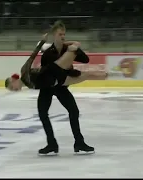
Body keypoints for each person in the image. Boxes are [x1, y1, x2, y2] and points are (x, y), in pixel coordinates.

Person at [37, 20, 98, 155]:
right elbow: (48, 72)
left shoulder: (66, 49)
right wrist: (71, 72)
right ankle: (52, 144)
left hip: (60, 86)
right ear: (54, 35)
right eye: (60, 34)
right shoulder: (48, 54)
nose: (63, 36)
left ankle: (79, 142)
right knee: (42, 114)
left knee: (74, 111)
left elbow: (85, 59)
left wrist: (76, 48)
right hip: (48, 86)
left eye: (64, 34)